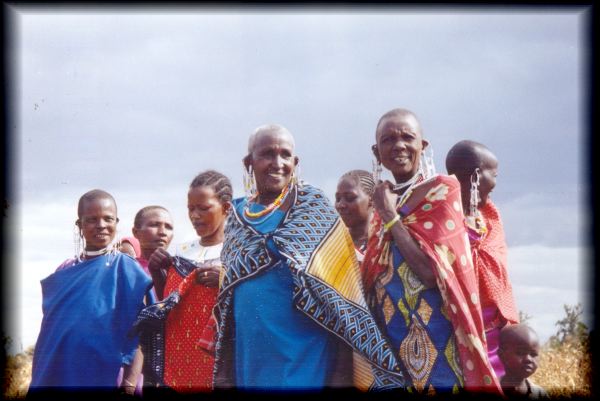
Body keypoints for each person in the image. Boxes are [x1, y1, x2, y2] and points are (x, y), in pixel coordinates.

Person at [213, 124, 408, 392]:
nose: (277, 163)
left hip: (307, 359)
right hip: (250, 361)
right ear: (249, 162)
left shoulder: (313, 210)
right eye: (268, 154)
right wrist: (225, 372)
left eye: (285, 155)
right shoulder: (236, 218)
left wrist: (340, 377)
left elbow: (341, 302)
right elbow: (229, 302)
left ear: (296, 162)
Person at [362, 108, 501, 394]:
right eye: (388, 140)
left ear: (422, 146)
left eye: (407, 137)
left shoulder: (442, 190)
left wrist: (390, 215)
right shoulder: (380, 202)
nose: (398, 145)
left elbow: (428, 273)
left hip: (438, 342)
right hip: (389, 345)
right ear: (377, 153)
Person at [29, 189, 153, 395]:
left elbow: (143, 328)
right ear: (80, 225)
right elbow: (50, 333)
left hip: (108, 375)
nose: (101, 225)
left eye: (108, 219)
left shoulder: (125, 268)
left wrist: (129, 383)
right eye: (92, 219)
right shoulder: (65, 271)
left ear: (116, 222)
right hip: (58, 372)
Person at [134, 171, 232, 393]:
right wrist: (158, 273)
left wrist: (225, 279)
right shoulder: (184, 250)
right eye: (190, 208)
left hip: (217, 358)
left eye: (203, 208)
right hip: (180, 356)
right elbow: (170, 302)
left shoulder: (237, 250)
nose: (195, 215)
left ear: (226, 208)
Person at [446, 140, 519, 379]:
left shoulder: (491, 217)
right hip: (460, 328)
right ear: (477, 175)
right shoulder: (442, 218)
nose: (496, 183)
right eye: (494, 175)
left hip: (498, 331)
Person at [116, 206, 175, 395]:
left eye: (168, 226)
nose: (162, 232)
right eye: (154, 225)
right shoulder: (125, 270)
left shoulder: (179, 270)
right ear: (136, 232)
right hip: (131, 366)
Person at [335, 169, 375, 261]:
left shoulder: (385, 242)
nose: (341, 205)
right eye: (338, 198)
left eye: (349, 197)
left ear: (371, 199)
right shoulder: (333, 244)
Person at [498, 324, 548, 399]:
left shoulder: (539, 394)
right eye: (520, 353)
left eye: (533, 354)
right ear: (502, 356)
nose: (528, 359)